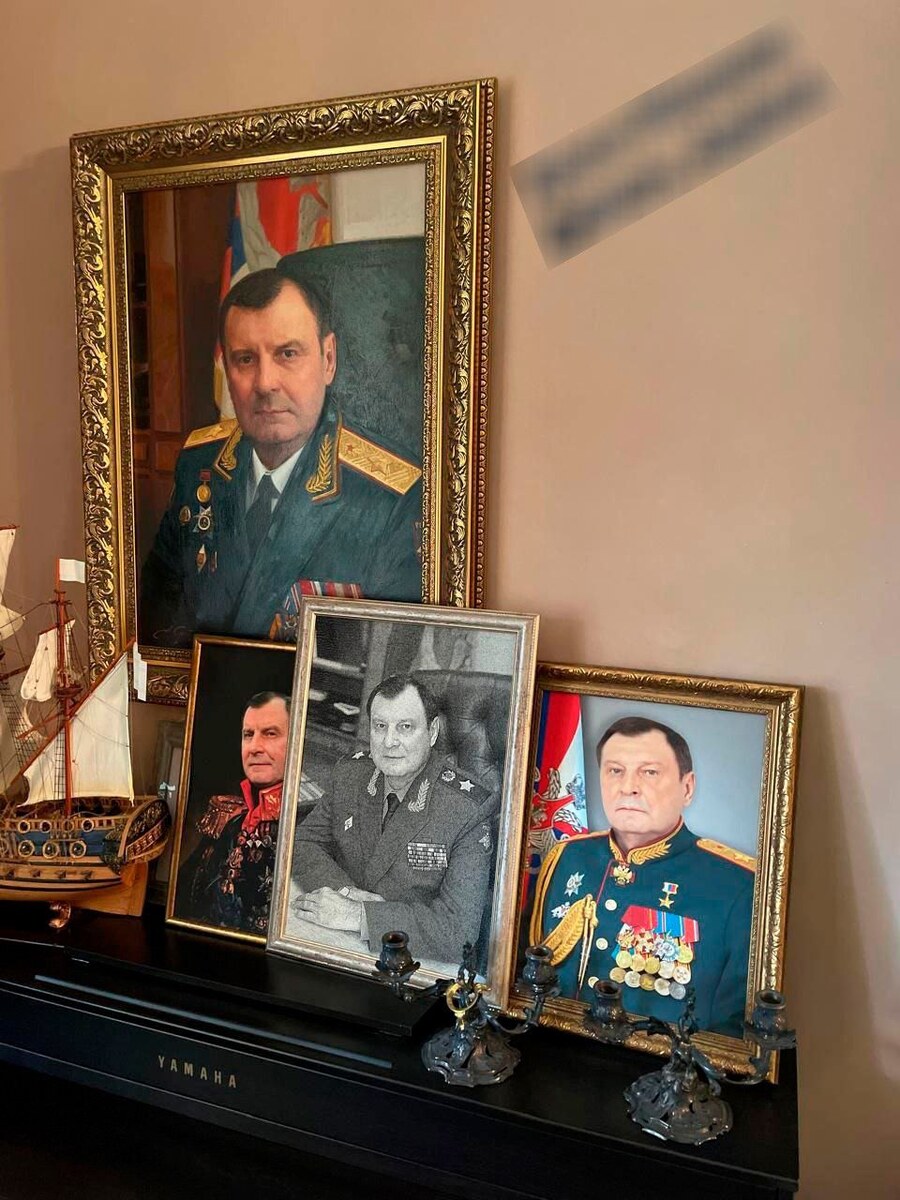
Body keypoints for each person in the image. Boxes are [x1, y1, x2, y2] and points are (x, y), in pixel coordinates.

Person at [140, 268, 423, 648]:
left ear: (328, 359)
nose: (265, 383)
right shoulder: (199, 463)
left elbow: (390, 657)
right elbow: (157, 620)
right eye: (245, 359)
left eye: (287, 354)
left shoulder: (390, 497)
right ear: (226, 370)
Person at [529, 716, 755, 1036]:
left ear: (687, 788)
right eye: (615, 770)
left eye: (649, 772)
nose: (628, 787)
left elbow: (734, 1033)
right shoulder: (566, 857)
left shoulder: (738, 885)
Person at [292, 674, 497, 964]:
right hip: (337, 938)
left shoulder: (467, 808)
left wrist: (361, 915)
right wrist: (345, 894)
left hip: (411, 959)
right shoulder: (351, 774)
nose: (389, 742)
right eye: (380, 726)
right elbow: (303, 843)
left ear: (433, 732)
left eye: (405, 727)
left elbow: (457, 932)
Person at [176, 691, 290, 936]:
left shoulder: (305, 824)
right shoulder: (230, 815)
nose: (254, 747)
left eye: (270, 734)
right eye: (248, 735)